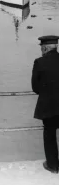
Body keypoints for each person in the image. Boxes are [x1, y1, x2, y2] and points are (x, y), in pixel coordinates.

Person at [31, 35, 59, 174]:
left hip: (49, 106)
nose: (41, 51)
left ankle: (53, 166)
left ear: (46, 48)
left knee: (49, 134)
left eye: (42, 48)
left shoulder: (39, 62)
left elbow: (35, 88)